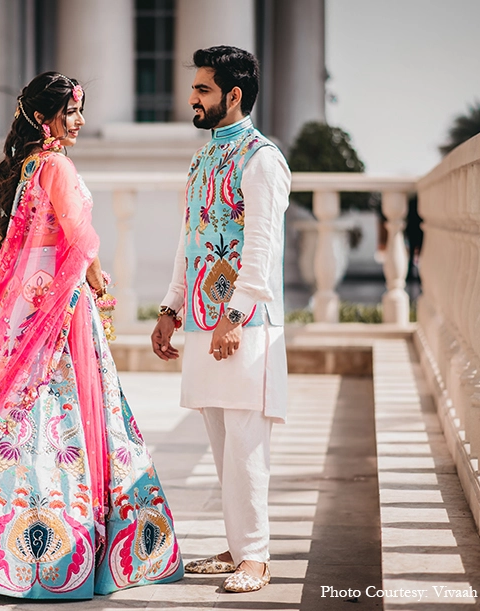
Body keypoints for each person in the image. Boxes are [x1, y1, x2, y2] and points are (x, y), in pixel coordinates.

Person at [0, 72, 183, 599]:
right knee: (56, 409)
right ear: (45, 118)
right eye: (72, 112)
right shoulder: (57, 165)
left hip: (30, 302)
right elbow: (80, 237)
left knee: (11, 408)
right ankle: (47, 551)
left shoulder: (27, 167)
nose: (81, 121)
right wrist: (98, 283)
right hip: (60, 306)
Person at [151, 46, 291, 594]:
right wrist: (170, 310)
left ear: (234, 95)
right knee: (222, 443)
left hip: (246, 326)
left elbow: (261, 245)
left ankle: (256, 558)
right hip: (206, 324)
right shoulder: (204, 157)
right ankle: (237, 549)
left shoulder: (261, 159)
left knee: (247, 442)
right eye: (195, 88)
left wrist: (237, 314)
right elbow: (191, 241)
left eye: (203, 89)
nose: (192, 98)